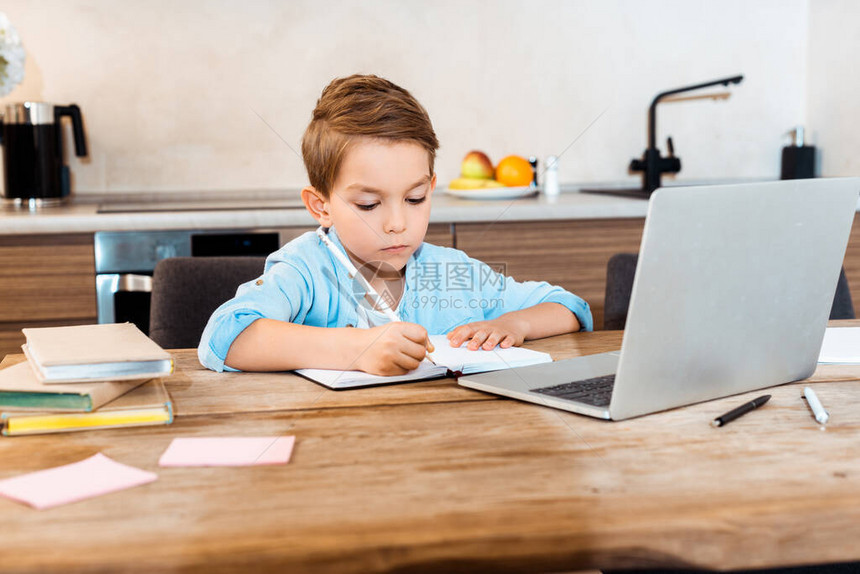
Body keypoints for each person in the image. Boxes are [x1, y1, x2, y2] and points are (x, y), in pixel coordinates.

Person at [198, 74, 592, 376]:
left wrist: (513, 323)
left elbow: (569, 307)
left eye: (415, 198)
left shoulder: (452, 273)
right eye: (369, 204)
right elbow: (225, 336)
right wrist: (355, 349)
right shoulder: (304, 271)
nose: (397, 224)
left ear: (431, 189)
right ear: (321, 206)